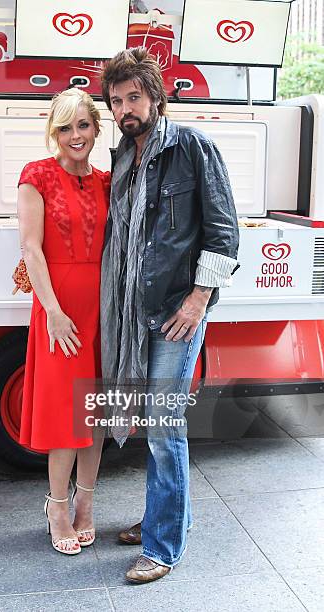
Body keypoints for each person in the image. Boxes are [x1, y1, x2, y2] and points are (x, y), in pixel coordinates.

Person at [100, 48, 239, 583]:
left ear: (155, 97)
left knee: (163, 427)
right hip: (135, 312)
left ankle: (161, 547)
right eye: (116, 101)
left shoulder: (192, 147)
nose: (125, 109)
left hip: (178, 312)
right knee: (150, 425)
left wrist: (198, 300)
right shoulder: (122, 157)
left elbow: (223, 232)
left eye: (134, 96)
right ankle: (163, 515)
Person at [17, 88, 110, 555]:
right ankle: (57, 507)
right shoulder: (36, 175)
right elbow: (31, 248)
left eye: (83, 125)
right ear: (54, 131)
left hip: (104, 309)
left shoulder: (109, 181)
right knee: (65, 415)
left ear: (96, 127)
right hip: (60, 311)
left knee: (92, 411)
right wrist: (52, 311)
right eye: (65, 127)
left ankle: (86, 505)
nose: (75, 136)